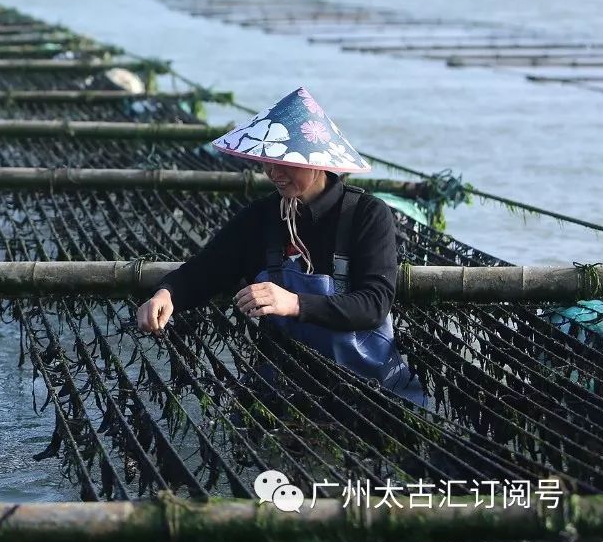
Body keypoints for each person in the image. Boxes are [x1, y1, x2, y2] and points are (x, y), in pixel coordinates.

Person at [136, 87, 425, 405]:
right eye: (267, 161)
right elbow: (205, 270)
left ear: (318, 162)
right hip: (285, 387)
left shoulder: (367, 214)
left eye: (285, 161)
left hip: (369, 391)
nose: (274, 172)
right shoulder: (260, 218)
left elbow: (373, 304)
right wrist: (166, 294)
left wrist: (294, 303)